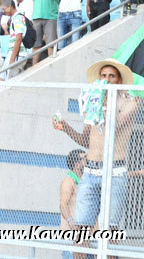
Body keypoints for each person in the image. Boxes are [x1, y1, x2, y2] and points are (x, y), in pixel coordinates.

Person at [53, 59, 140, 258]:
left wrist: (102, 103)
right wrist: (65, 127)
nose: (106, 80)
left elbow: (113, 127)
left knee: (109, 232)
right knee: (81, 232)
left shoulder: (131, 102)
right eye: (103, 76)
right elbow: (86, 139)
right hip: (90, 172)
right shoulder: (94, 102)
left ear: (119, 81)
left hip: (115, 173)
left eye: (111, 76)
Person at [59, 149, 86, 259]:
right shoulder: (68, 181)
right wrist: (71, 223)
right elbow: (63, 204)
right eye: (85, 159)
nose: (88, 161)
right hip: (71, 235)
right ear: (77, 164)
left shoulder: (85, 181)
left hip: (83, 236)